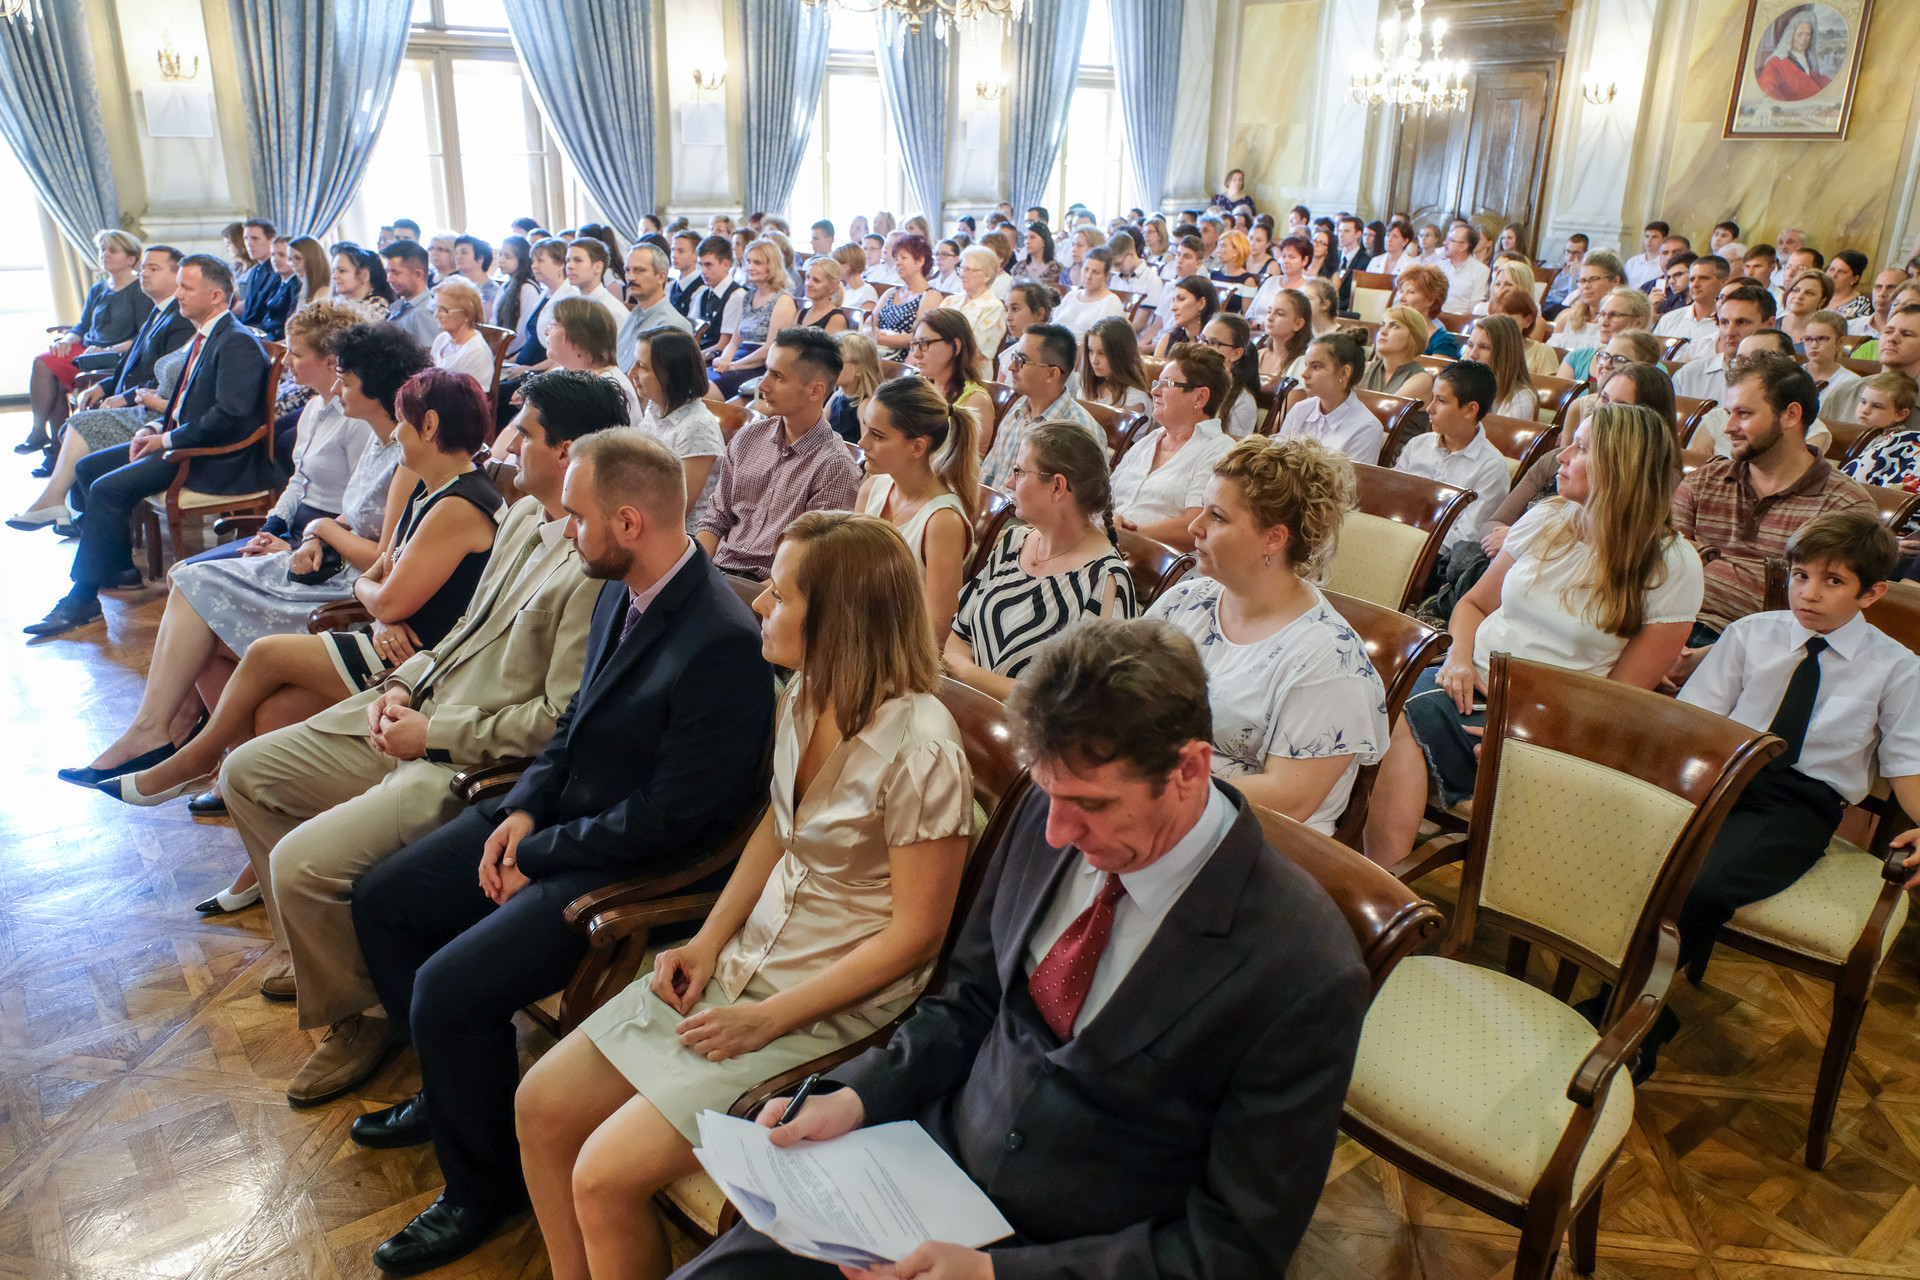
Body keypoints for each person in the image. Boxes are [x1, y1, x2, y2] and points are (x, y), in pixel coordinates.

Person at [674, 614, 1369, 1280]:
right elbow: (968, 1002)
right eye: (1047, 793)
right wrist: (858, 1097)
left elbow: (1233, 1249)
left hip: (1085, 1250)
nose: (1058, 833)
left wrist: (994, 1274)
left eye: (1092, 805)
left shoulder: (1303, 968)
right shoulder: (1051, 805)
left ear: (1190, 770)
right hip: (930, 1168)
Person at [344, 427, 777, 1275]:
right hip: (559, 825)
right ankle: (451, 1093)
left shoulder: (721, 640)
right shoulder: (621, 588)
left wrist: (538, 853)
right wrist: (521, 810)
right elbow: (574, 723)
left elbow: (674, 819)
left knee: (446, 990)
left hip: (624, 865)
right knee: (384, 902)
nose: (564, 528)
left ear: (628, 522)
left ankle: (483, 1191)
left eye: (577, 516)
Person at [220, 370, 620, 1105]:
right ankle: (328, 962)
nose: (507, 445)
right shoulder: (523, 516)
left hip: (462, 753)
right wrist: (404, 684)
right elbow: (464, 629)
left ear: (567, 452)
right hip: (421, 702)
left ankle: (365, 1015)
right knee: (246, 773)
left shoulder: (596, 566)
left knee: (299, 865)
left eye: (525, 433)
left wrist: (431, 732)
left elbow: (555, 719)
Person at [50, 316, 412, 833]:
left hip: (348, 585)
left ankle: (179, 743)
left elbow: (381, 555)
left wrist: (316, 533)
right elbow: (341, 508)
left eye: (346, 381)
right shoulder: (374, 439)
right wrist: (309, 536)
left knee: (197, 592)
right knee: (192, 588)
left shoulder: (400, 451)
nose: (336, 389)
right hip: (325, 558)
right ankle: (207, 753)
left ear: (373, 386)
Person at [92, 368, 503, 805]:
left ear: (430, 425)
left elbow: (386, 595)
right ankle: (241, 788)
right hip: (390, 638)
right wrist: (376, 595)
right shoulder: (433, 490)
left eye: (403, 421)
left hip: (419, 661)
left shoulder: (458, 505)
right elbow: (382, 576)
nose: (396, 432)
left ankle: (195, 761)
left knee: (265, 653)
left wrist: (372, 596)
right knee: (271, 712)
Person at [1366, 404, 1704, 864]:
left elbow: (1622, 699)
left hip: (1551, 717)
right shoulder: (1549, 518)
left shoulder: (1671, 564)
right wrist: (1458, 659)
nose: (1562, 456)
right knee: (1373, 698)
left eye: (1581, 448)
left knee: (1402, 715)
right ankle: (1367, 865)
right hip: (1470, 678)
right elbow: (1474, 604)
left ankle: (1376, 877)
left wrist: (1535, 734)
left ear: (1620, 466)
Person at [1656, 512, 1920, 1076]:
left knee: (1703, 883)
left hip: (1798, 802)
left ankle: (1631, 1014)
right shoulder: (1752, 633)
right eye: (1801, 576)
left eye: (1833, 581)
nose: (1809, 593)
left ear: (1871, 593)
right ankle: (1628, 993)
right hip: (1720, 774)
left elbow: (1908, 765)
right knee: (1633, 846)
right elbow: (1696, 724)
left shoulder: (1897, 668)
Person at [1148, 435, 1389, 833]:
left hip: (1254, 836)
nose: (1194, 526)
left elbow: (1291, 797)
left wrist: (1154, 794)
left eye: (1217, 517)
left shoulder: (1329, 659)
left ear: (1273, 538)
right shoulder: (1187, 600)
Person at [25, 257, 276, 638]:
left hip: (215, 458)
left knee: (106, 488)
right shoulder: (207, 335)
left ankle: (82, 599)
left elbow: (230, 417)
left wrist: (167, 439)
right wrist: (155, 426)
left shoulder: (236, 341)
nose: (179, 294)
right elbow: (186, 402)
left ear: (216, 295)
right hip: (185, 440)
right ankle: (119, 568)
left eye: (187, 288)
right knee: (89, 467)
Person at [1670, 352, 1874, 688]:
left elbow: (1823, 614)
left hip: (1767, 657)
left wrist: (1713, 657)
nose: (1728, 427)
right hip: (1667, 628)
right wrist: (1659, 645)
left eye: (1744, 414)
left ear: (1791, 415)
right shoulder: (1702, 482)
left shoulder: (1844, 506)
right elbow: (1661, 570)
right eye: (1729, 413)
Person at [947, 420, 1137, 699]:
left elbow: (1081, 702)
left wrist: (968, 676)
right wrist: (968, 679)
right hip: (965, 707)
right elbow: (959, 636)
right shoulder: (1013, 543)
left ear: (1057, 486)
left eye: (1019, 472)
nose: (1009, 482)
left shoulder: (1107, 581)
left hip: (1027, 726)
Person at [8, 246, 194, 530]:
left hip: (155, 415)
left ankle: (57, 503)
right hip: (138, 402)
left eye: (153, 269)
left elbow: (166, 380)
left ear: (176, 275)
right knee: (76, 423)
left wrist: (126, 397)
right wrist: (106, 386)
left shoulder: (179, 319)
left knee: (80, 425)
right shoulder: (159, 312)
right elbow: (131, 363)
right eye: (143, 267)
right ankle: (75, 514)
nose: (143, 273)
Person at [698, 328, 861, 578]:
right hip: (719, 572)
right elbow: (715, 519)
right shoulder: (749, 437)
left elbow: (810, 565)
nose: (763, 384)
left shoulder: (834, 466)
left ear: (815, 391)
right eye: (766, 371)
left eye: (778, 376)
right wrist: (695, 574)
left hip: (770, 587)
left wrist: (739, 595)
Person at [856, 377, 977, 642]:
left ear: (917, 447)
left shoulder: (942, 521)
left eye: (877, 435)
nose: (862, 442)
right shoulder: (872, 488)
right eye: (866, 428)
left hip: (896, 650)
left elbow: (938, 632)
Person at [20, 229, 154, 455]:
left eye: (112, 250)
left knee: (56, 376)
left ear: (131, 258)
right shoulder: (99, 288)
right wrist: (66, 339)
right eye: (102, 250)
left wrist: (107, 348)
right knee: (43, 361)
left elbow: (143, 336)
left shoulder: (139, 291)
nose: (104, 254)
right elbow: (82, 326)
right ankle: (41, 432)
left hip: (116, 354)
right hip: (87, 349)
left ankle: (57, 447)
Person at [1110, 344, 1237, 553]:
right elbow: (1108, 499)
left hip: (1162, 563)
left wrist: (1130, 534)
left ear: (1200, 397)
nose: (1154, 391)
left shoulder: (1220, 451)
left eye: (1166, 384)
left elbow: (1197, 525)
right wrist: (1112, 521)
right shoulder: (1149, 440)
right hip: (1112, 549)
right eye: (1157, 383)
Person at [1395, 360, 1512, 567]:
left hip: (1435, 562)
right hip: (1395, 541)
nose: (1429, 408)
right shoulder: (1417, 446)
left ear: (1470, 410)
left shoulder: (1491, 467)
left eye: (1441, 401)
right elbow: (1392, 501)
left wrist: (1410, 546)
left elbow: (1466, 536)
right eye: (1432, 397)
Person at [981, 323, 1106, 490]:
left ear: (1052, 373)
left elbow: (1081, 501)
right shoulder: (1016, 414)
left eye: (1022, 360)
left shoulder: (1080, 431)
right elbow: (986, 479)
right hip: (995, 505)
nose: (1011, 367)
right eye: (1014, 357)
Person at [632, 327, 725, 534]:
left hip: (684, 536)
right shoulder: (655, 408)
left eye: (642, 367)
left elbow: (677, 510)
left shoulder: (697, 426)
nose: (632, 373)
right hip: (648, 516)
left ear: (670, 375)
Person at [1274, 331, 1383, 464]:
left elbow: (1351, 477)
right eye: (1306, 366)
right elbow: (1276, 460)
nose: (1304, 374)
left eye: (1315, 367)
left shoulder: (1367, 427)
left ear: (1344, 373)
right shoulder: (1300, 409)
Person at [707, 240, 797, 399]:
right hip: (737, 360)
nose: (750, 266)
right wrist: (725, 359)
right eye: (748, 261)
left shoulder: (783, 300)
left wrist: (733, 365)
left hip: (760, 368)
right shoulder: (748, 296)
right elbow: (734, 342)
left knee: (703, 392)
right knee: (692, 381)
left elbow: (770, 349)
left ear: (772, 266)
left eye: (757, 262)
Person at [1674, 283, 1777, 403]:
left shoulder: (1786, 380)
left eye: (1742, 322)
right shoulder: (1688, 376)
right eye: (1724, 322)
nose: (1730, 332)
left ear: (1769, 324)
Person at [614, 242, 695, 375]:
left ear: (661, 277)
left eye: (639, 270)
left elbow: (660, 383)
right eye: (627, 270)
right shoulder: (636, 313)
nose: (630, 277)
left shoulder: (670, 325)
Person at [1839, 372, 1920, 488]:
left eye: (1877, 406)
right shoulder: (1845, 432)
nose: (1865, 410)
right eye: (1863, 402)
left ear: (1900, 415)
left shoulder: (1895, 446)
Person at [1557, 287, 1653, 384]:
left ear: (1639, 322)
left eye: (1614, 315)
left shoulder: (1651, 369)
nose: (1604, 323)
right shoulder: (1576, 358)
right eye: (1602, 314)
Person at [869, 233, 947, 354]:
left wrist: (881, 339)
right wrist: (873, 333)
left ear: (919, 261)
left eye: (903, 257)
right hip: (878, 352)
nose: (898, 262)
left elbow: (919, 337)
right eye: (896, 258)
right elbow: (869, 324)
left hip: (908, 356)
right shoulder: (890, 292)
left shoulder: (930, 296)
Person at [1655, 253, 1731, 358]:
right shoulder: (1668, 320)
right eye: (1692, 279)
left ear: (1724, 282)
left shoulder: (1729, 325)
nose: (1695, 285)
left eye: (1703, 278)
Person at [1463, 313, 1538, 418]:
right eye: (1470, 345)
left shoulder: (1522, 398)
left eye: (1484, 347)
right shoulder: (1463, 387)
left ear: (1505, 353)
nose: (1472, 355)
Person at [1203, 312, 1263, 438]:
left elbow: (1230, 447)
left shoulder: (1242, 402)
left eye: (1213, 343)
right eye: (1202, 340)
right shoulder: (1186, 383)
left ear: (1236, 354)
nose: (1203, 348)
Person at [1801, 309, 1866, 425]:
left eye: (1822, 339)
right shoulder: (1790, 374)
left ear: (1840, 342)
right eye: (1808, 339)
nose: (1813, 345)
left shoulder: (1852, 382)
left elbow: (1848, 425)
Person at [1552, 249, 1626, 350]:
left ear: (1615, 281)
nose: (1586, 286)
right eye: (1582, 280)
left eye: (1593, 279)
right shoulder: (1566, 319)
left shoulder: (1624, 324)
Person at [429, 281, 495, 392]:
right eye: (436, 308)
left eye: (443, 310)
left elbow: (476, 398)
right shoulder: (442, 339)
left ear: (467, 314)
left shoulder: (477, 352)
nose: (436, 315)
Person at [1361, 306, 1436, 401]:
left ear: (1414, 336)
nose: (1383, 332)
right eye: (1383, 325)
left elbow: (1386, 408)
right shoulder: (1365, 369)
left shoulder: (1422, 380)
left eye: (1395, 326)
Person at [1054, 245, 1128, 340]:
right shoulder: (1071, 296)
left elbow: (1104, 339)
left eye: (1095, 272)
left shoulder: (1111, 302)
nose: (1088, 276)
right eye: (1086, 269)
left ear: (1106, 275)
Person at [380, 240, 443, 349]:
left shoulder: (424, 312)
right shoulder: (403, 305)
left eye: (396, 273)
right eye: (388, 272)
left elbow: (431, 356)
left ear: (418, 274)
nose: (389, 279)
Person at [1081, 316, 1152, 412]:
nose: (1094, 361)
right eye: (1091, 351)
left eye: (1101, 353)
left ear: (1121, 355)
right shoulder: (1087, 386)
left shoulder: (1135, 398)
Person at [1393, 263, 1462, 358]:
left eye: (1411, 292)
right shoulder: (1392, 330)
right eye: (1401, 291)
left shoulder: (1444, 342)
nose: (1401, 298)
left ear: (1430, 300)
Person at [1757, 15, 1831, 100]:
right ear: (1790, 36)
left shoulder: (1811, 60)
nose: (1804, 39)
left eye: (1808, 34)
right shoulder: (1775, 63)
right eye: (1799, 34)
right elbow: (1768, 90)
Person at [829, 331, 882, 445]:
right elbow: (816, 428)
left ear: (859, 368)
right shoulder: (837, 396)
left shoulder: (864, 406)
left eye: (837, 362)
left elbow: (867, 447)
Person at [997, 280, 1057, 382]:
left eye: (1015, 309)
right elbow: (1000, 390)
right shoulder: (1008, 355)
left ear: (1039, 313)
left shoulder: (1054, 354)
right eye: (1007, 310)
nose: (1008, 318)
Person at [1152, 274, 1219, 357]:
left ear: (1201, 303)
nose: (1173, 308)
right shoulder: (1167, 340)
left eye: (1181, 299)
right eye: (1174, 301)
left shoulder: (1217, 345)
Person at [330, 242, 395, 322]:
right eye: (333, 271)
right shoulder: (337, 305)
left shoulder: (377, 310)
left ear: (365, 275)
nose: (334, 276)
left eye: (342, 271)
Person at [234, 219, 279, 331]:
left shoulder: (278, 272)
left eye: (255, 238)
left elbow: (269, 314)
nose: (249, 244)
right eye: (246, 239)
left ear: (271, 241)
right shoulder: (255, 271)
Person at [492, 235, 539, 339]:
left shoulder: (527, 289)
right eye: (500, 254)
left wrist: (507, 348)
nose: (501, 260)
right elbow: (494, 320)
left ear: (521, 259)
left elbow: (523, 332)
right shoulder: (505, 286)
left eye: (508, 257)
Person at [1437, 223, 1491, 313]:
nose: (1445, 243)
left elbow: (1475, 310)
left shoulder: (1481, 271)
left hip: (1460, 319)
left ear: (1463, 247)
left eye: (1451, 240)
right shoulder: (1439, 266)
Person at [794, 256, 850, 334]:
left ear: (832, 287)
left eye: (816, 280)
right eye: (808, 277)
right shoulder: (801, 313)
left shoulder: (836, 319)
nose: (809, 284)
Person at [1623, 221, 1669, 291]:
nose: (1649, 240)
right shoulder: (1632, 262)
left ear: (1664, 239)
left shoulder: (1666, 264)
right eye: (1647, 236)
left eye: (1654, 237)